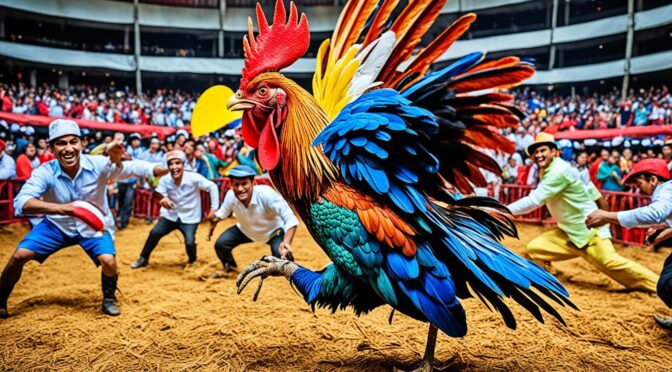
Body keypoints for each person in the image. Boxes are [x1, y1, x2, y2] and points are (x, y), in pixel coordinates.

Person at [0, 119, 168, 318]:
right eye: (61, 143)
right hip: (57, 225)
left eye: (73, 142)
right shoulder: (45, 171)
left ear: (81, 144)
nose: (68, 148)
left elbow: (134, 167)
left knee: (109, 262)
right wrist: (65, 209)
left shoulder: (98, 164)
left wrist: (164, 168)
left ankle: (109, 298)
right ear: (52, 148)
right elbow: (21, 203)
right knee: (19, 256)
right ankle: (1, 300)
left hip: (93, 226)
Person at [507, 133, 659, 292]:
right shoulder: (554, 169)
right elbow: (594, 194)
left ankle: (662, 287)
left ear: (554, 152)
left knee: (611, 263)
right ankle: (550, 276)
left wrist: (502, 210)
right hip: (568, 232)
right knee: (535, 249)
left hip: (589, 231)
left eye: (542, 150)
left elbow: (534, 200)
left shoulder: (558, 170)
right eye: (535, 152)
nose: (538, 155)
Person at [586, 159, 672, 330]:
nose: (638, 187)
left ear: (653, 180)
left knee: (668, 283)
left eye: (639, 182)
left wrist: (607, 216)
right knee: (667, 283)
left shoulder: (666, 189)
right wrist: (663, 233)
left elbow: (655, 213)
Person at [130, 150, 219, 269]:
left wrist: (214, 209)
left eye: (178, 163)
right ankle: (143, 258)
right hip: (170, 215)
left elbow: (212, 187)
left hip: (190, 217)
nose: (174, 167)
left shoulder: (193, 177)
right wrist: (162, 199)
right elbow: (157, 194)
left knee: (189, 242)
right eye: (171, 164)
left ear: (183, 165)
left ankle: (192, 261)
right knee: (154, 233)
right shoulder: (165, 179)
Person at [208, 165, 298, 277]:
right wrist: (212, 223)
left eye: (244, 183)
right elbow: (222, 213)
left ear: (253, 183)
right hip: (246, 230)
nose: (240, 189)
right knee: (221, 244)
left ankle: (290, 263)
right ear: (231, 185)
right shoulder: (231, 195)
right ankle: (230, 267)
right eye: (236, 184)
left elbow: (290, 217)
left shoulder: (267, 194)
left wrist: (286, 243)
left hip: (273, 232)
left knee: (281, 262)